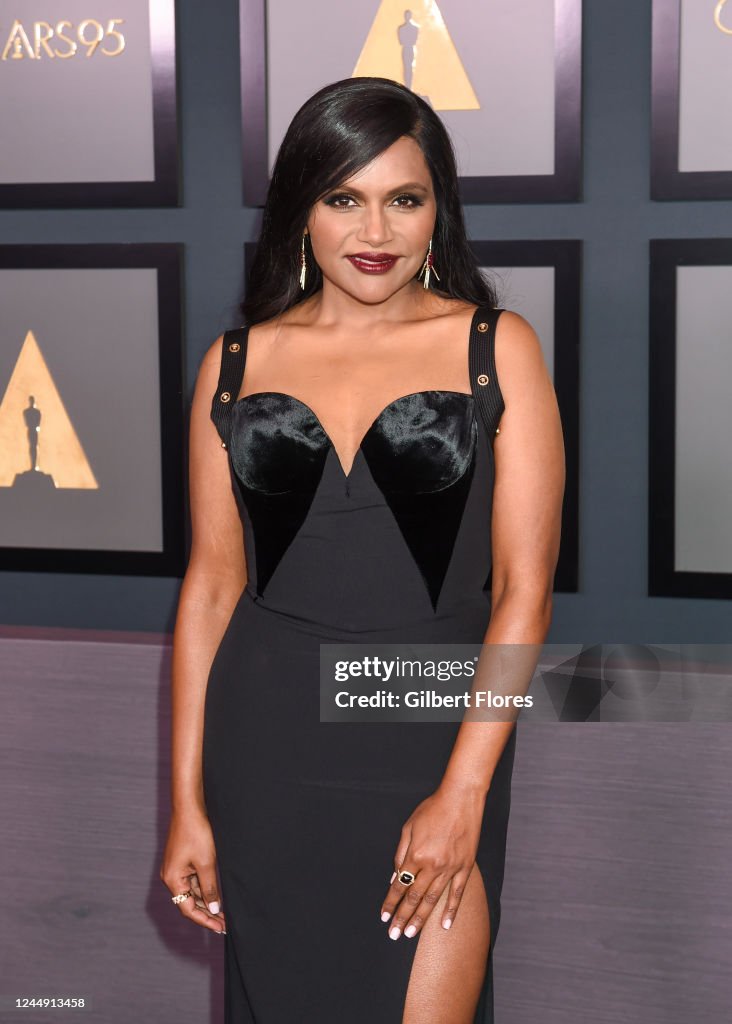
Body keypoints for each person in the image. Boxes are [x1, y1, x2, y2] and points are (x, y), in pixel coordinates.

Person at [160, 76, 564, 1023]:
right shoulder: (234, 363)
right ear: (302, 208)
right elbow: (213, 591)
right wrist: (186, 801)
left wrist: (463, 793)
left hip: (432, 730)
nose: (374, 230)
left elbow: (525, 593)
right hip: (265, 744)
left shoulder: (495, 347)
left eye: (404, 199)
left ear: (438, 213)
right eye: (344, 197)